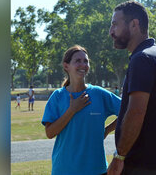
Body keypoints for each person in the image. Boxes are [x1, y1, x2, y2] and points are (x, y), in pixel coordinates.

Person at [108, 0, 156, 175]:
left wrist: (119, 157)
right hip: (155, 162)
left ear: (134, 24)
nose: (111, 32)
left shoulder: (142, 59)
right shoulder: (154, 53)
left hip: (142, 165)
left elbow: (136, 112)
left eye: (115, 24)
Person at [41, 45, 121, 175]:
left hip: (96, 169)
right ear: (66, 66)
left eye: (86, 61)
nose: (83, 64)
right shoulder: (58, 96)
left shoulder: (99, 93)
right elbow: (50, 133)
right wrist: (72, 110)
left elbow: (128, 111)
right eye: (78, 61)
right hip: (64, 170)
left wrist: (107, 130)